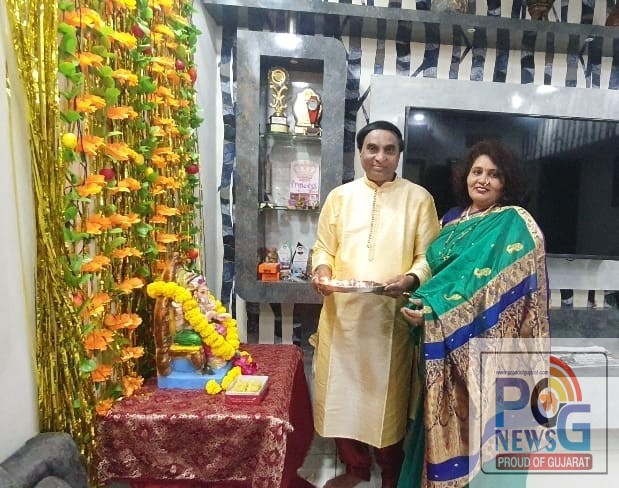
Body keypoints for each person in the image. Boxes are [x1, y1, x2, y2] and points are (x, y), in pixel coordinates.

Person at [398, 140, 551, 488]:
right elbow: (441, 276)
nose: (483, 180)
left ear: (506, 182)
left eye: (494, 174)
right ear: (465, 176)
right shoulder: (450, 220)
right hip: (442, 350)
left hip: (489, 350)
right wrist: (421, 301)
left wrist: (435, 311)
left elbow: (495, 289)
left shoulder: (513, 222)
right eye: (477, 171)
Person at [310, 120, 441, 488]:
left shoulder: (419, 199)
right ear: (360, 152)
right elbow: (323, 247)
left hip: (389, 321)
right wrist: (322, 270)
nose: (379, 157)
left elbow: (428, 257)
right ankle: (355, 469)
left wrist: (410, 279)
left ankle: (391, 474)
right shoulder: (340, 197)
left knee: (387, 402)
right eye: (372, 148)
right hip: (342, 319)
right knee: (340, 397)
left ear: (398, 155)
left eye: (389, 150)